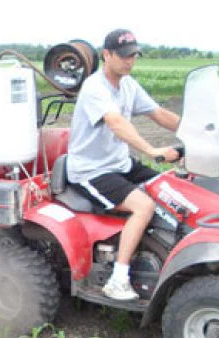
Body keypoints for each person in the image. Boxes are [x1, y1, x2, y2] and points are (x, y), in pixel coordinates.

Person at [66, 29, 181, 301]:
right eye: (124, 56)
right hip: (90, 171)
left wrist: (198, 131)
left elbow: (159, 114)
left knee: (171, 188)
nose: (130, 62)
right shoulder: (95, 87)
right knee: (144, 206)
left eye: (134, 56)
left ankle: (162, 257)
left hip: (119, 164)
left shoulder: (128, 85)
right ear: (107, 55)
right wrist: (152, 150)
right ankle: (118, 279)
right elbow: (116, 123)